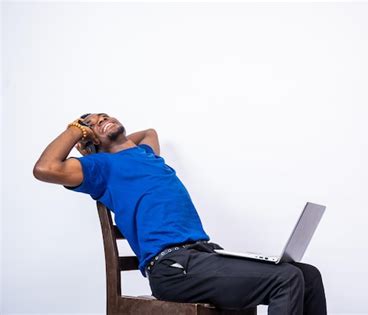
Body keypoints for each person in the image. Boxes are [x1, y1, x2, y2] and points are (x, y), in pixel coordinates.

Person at [33, 113, 327, 315]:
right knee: (285, 279)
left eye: (104, 115)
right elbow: (44, 169)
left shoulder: (146, 155)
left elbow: (150, 131)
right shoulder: (100, 169)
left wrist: (114, 137)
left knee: (308, 276)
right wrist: (78, 130)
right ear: (89, 144)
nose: (101, 119)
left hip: (206, 257)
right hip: (173, 268)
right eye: (93, 123)